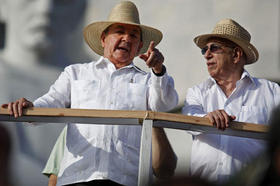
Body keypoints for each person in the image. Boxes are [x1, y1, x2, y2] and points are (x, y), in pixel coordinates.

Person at [3, 1, 178, 185]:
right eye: (119, 32)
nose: (126, 39)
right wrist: (31, 107)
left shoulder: (149, 80)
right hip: (77, 177)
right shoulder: (76, 72)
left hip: (124, 179)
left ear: (139, 46)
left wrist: (158, 70)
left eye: (133, 35)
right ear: (104, 39)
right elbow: (52, 101)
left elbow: (164, 105)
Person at [0, 0, 88, 185]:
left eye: (62, 1)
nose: (45, 9)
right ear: (4, 4)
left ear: (80, 9)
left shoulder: (100, 83)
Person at [182, 18, 280, 184]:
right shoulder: (197, 92)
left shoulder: (271, 91)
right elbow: (188, 119)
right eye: (204, 50)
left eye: (214, 48)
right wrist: (207, 117)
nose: (206, 54)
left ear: (235, 54)